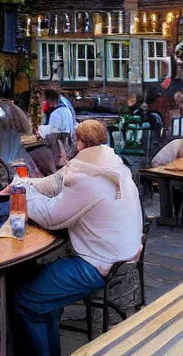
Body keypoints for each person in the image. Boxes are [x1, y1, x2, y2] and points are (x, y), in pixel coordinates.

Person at [6, 119, 143, 355]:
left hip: (96, 264)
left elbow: (51, 217)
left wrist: (23, 192)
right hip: (119, 257)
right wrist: (26, 182)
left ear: (79, 144)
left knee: (26, 302)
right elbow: (54, 183)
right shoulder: (111, 165)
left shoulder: (88, 178)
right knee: (43, 299)